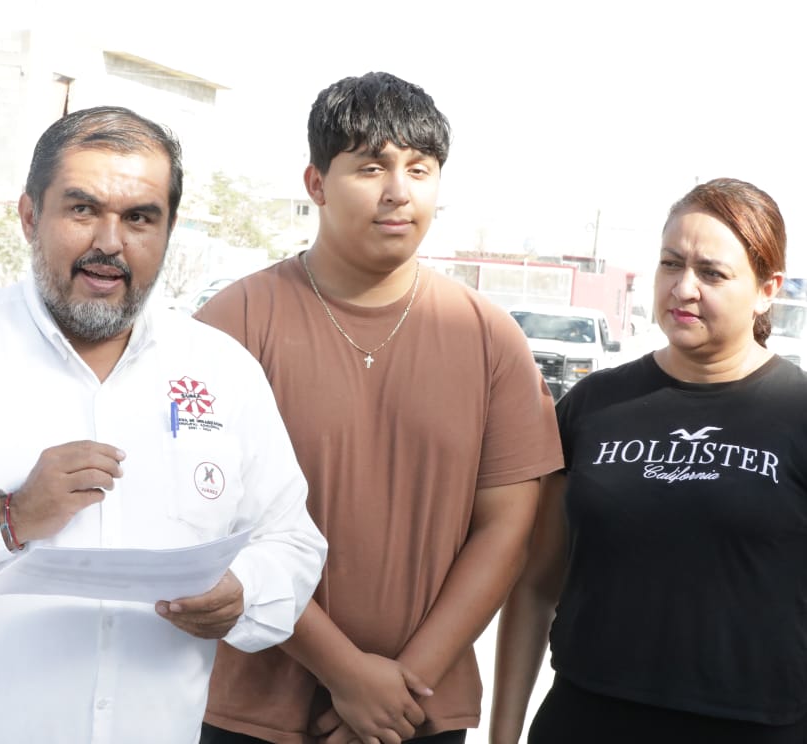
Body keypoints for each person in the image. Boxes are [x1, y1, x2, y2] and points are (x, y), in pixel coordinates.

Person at [0, 106, 327, 744]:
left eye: (139, 217)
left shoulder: (222, 370)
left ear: (169, 229)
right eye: (82, 209)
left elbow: (292, 542)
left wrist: (245, 592)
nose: (110, 242)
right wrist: (9, 518)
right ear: (29, 217)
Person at [195, 72, 563, 744]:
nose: (399, 191)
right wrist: (346, 674)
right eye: (370, 167)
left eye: (419, 169)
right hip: (250, 711)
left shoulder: (489, 337)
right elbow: (210, 517)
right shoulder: (233, 323)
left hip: (420, 710)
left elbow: (507, 529)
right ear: (316, 184)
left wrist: (401, 687)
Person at [490, 178, 807, 744]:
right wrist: (503, 735)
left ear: (767, 290)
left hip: (755, 727)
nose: (683, 288)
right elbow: (535, 586)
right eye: (670, 264)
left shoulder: (797, 413)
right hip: (586, 720)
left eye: (712, 273)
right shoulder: (593, 404)